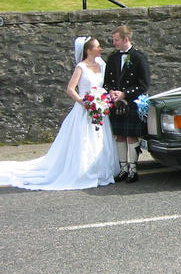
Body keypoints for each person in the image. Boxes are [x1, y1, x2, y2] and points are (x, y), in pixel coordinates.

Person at [0, 37, 120, 190]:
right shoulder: (81, 67)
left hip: (100, 109)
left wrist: (105, 98)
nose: (101, 48)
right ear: (89, 50)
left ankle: (101, 170)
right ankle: (83, 170)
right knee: (84, 141)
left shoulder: (102, 64)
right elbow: (71, 89)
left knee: (101, 140)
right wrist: (84, 102)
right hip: (85, 109)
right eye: (97, 46)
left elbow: (106, 84)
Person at [104, 25, 151, 183]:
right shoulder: (112, 58)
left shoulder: (139, 57)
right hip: (117, 104)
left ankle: (133, 169)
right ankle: (123, 168)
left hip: (131, 102)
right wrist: (111, 92)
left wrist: (124, 93)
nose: (114, 43)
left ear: (126, 39)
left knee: (131, 136)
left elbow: (144, 85)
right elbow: (107, 82)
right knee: (119, 136)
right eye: (113, 40)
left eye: (116, 40)